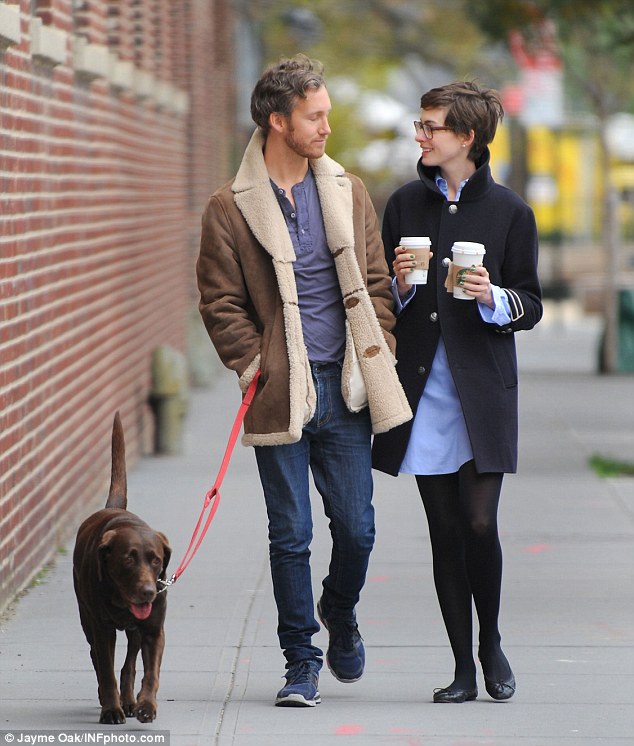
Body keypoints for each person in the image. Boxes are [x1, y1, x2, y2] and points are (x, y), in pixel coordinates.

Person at [196, 54, 411, 708]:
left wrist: (380, 348)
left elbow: (374, 283)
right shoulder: (229, 208)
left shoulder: (347, 191)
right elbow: (218, 300)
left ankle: (338, 612)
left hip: (344, 389)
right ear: (277, 120)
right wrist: (251, 362)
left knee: (358, 529)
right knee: (290, 534)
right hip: (280, 389)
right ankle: (300, 662)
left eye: (326, 115)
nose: (325, 127)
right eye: (314, 116)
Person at [372, 81, 542, 704]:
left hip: (484, 395)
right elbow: (383, 304)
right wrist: (403, 285)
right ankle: (462, 669)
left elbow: (532, 305)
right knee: (444, 533)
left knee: (479, 521)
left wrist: (490, 296)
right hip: (422, 396)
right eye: (420, 125)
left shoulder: (510, 213)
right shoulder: (402, 206)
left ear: (465, 137)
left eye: (431, 126)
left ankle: (491, 641)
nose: (421, 135)